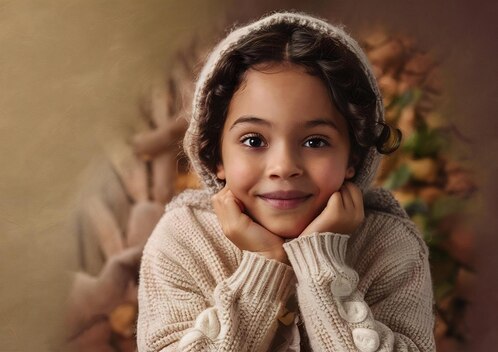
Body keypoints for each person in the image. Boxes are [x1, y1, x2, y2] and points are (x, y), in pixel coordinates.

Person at [136, 11, 435, 352]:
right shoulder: (182, 240)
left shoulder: (391, 246)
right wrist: (263, 265)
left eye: (315, 141)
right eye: (253, 140)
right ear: (215, 155)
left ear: (353, 156)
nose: (284, 167)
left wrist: (320, 260)